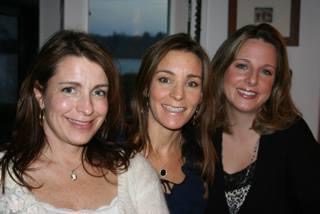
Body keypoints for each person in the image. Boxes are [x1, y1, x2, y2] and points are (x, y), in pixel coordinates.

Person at [0, 30, 168, 213]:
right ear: (40, 95)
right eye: (70, 90)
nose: (87, 108)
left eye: (98, 92)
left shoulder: (134, 171)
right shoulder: (4, 175)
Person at [205, 23, 320, 214]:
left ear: (275, 83)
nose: (252, 80)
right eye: (242, 66)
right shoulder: (199, 132)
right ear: (222, 69)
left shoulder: (293, 135)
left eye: (266, 71)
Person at [128, 33, 216, 214]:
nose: (178, 94)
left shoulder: (203, 161)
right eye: (165, 80)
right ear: (146, 87)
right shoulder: (110, 154)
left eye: (191, 83)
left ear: (201, 96)